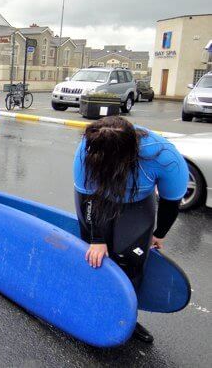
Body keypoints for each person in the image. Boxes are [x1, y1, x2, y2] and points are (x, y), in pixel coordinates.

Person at [73, 116, 188, 343]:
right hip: (96, 199)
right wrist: (97, 238)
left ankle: (126, 318)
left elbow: (171, 202)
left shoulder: (165, 157)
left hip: (137, 202)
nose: (91, 156)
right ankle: (89, 309)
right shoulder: (88, 148)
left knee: (132, 263)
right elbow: (88, 198)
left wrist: (159, 233)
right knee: (94, 257)